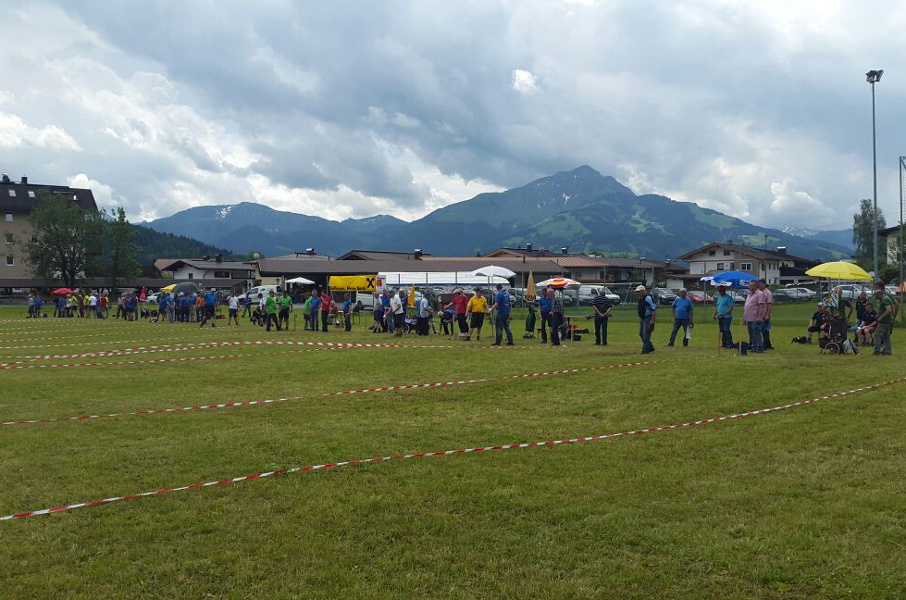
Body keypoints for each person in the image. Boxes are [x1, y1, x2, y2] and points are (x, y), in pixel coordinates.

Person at [743, 280, 765, 352]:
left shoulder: (760, 294)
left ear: (756, 286)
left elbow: (761, 306)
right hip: (748, 318)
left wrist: (759, 316)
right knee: (751, 333)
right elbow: (747, 306)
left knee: (756, 333)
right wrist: (744, 317)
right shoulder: (749, 294)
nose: (750, 287)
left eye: (751, 285)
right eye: (749, 285)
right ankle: (754, 346)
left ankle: (760, 347)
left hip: (755, 318)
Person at [871, 286, 894, 355]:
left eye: (876, 296)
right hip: (888, 321)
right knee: (886, 337)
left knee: (877, 335)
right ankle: (887, 351)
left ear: (879, 295)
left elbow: (888, 310)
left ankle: (877, 350)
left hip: (884, 321)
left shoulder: (884, 300)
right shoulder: (886, 298)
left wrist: (880, 318)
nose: (876, 298)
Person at [636, 285, 657, 354]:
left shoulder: (648, 298)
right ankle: (650, 347)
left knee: (646, 334)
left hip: (648, 318)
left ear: (643, 291)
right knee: (641, 333)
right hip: (642, 318)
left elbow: (654, 309)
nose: (637, 293)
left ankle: (645, 349)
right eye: (637, 292)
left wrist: (652, 320)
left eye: (639, 292)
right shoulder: (641, 298)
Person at [713, 284, 735, 348]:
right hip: (720, 317)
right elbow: (717, 306)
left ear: (724, 290)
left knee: (726, 329)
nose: (720, 292)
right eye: (719, 291)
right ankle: (724, 343)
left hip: (727, 317)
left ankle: (729, 343)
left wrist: (724, 314)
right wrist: (714, 314)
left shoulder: (728, 298)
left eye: (721, 291)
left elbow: (731, 308)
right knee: (722, 330)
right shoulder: (719, 297)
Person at [758, 279, 774, 350]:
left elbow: (770, 305)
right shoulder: (759, 292)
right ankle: (768, 345)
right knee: (764, 331)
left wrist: (768, 315)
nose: (758, 286)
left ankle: (764, 345)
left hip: (765, 315)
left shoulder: (768, 293)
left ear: (764, 284)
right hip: (760, 315)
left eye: (760, 284)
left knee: (764, 330)